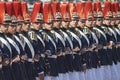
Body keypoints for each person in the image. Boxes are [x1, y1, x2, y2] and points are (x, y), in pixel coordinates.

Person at [30, 2, 45, 80]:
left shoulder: (41, 33)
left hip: (43, 62)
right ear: (32, 23)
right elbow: (35, 50)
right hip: (36, 65)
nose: (38, 24)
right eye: (36, 23)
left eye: (40, 22)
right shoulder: (32, 34)